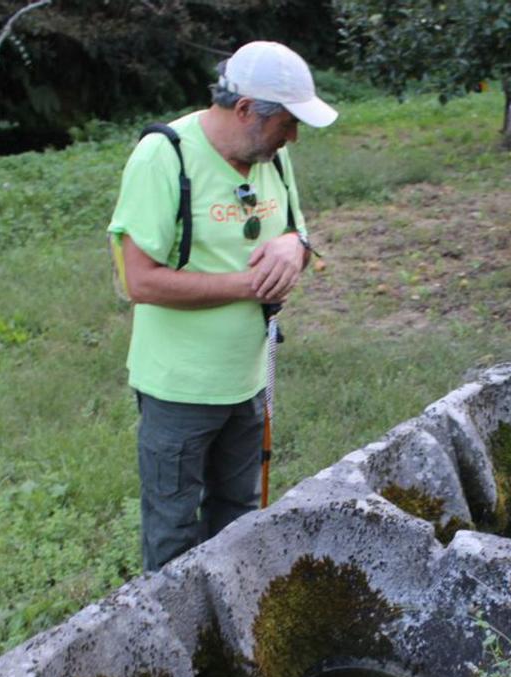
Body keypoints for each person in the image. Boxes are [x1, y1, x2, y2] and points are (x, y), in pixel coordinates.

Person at [107, 41, 337, 571]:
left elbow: (296, 235)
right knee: (173, 535)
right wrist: (246, 286)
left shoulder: (272, 158)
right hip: (179, 391)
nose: (294, 137)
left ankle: (228, 629)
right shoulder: (163, 156)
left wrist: (295, 247)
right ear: (244, 111)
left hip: (249, 382)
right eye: (287, 123)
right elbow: (138, 281)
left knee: (239, 521)